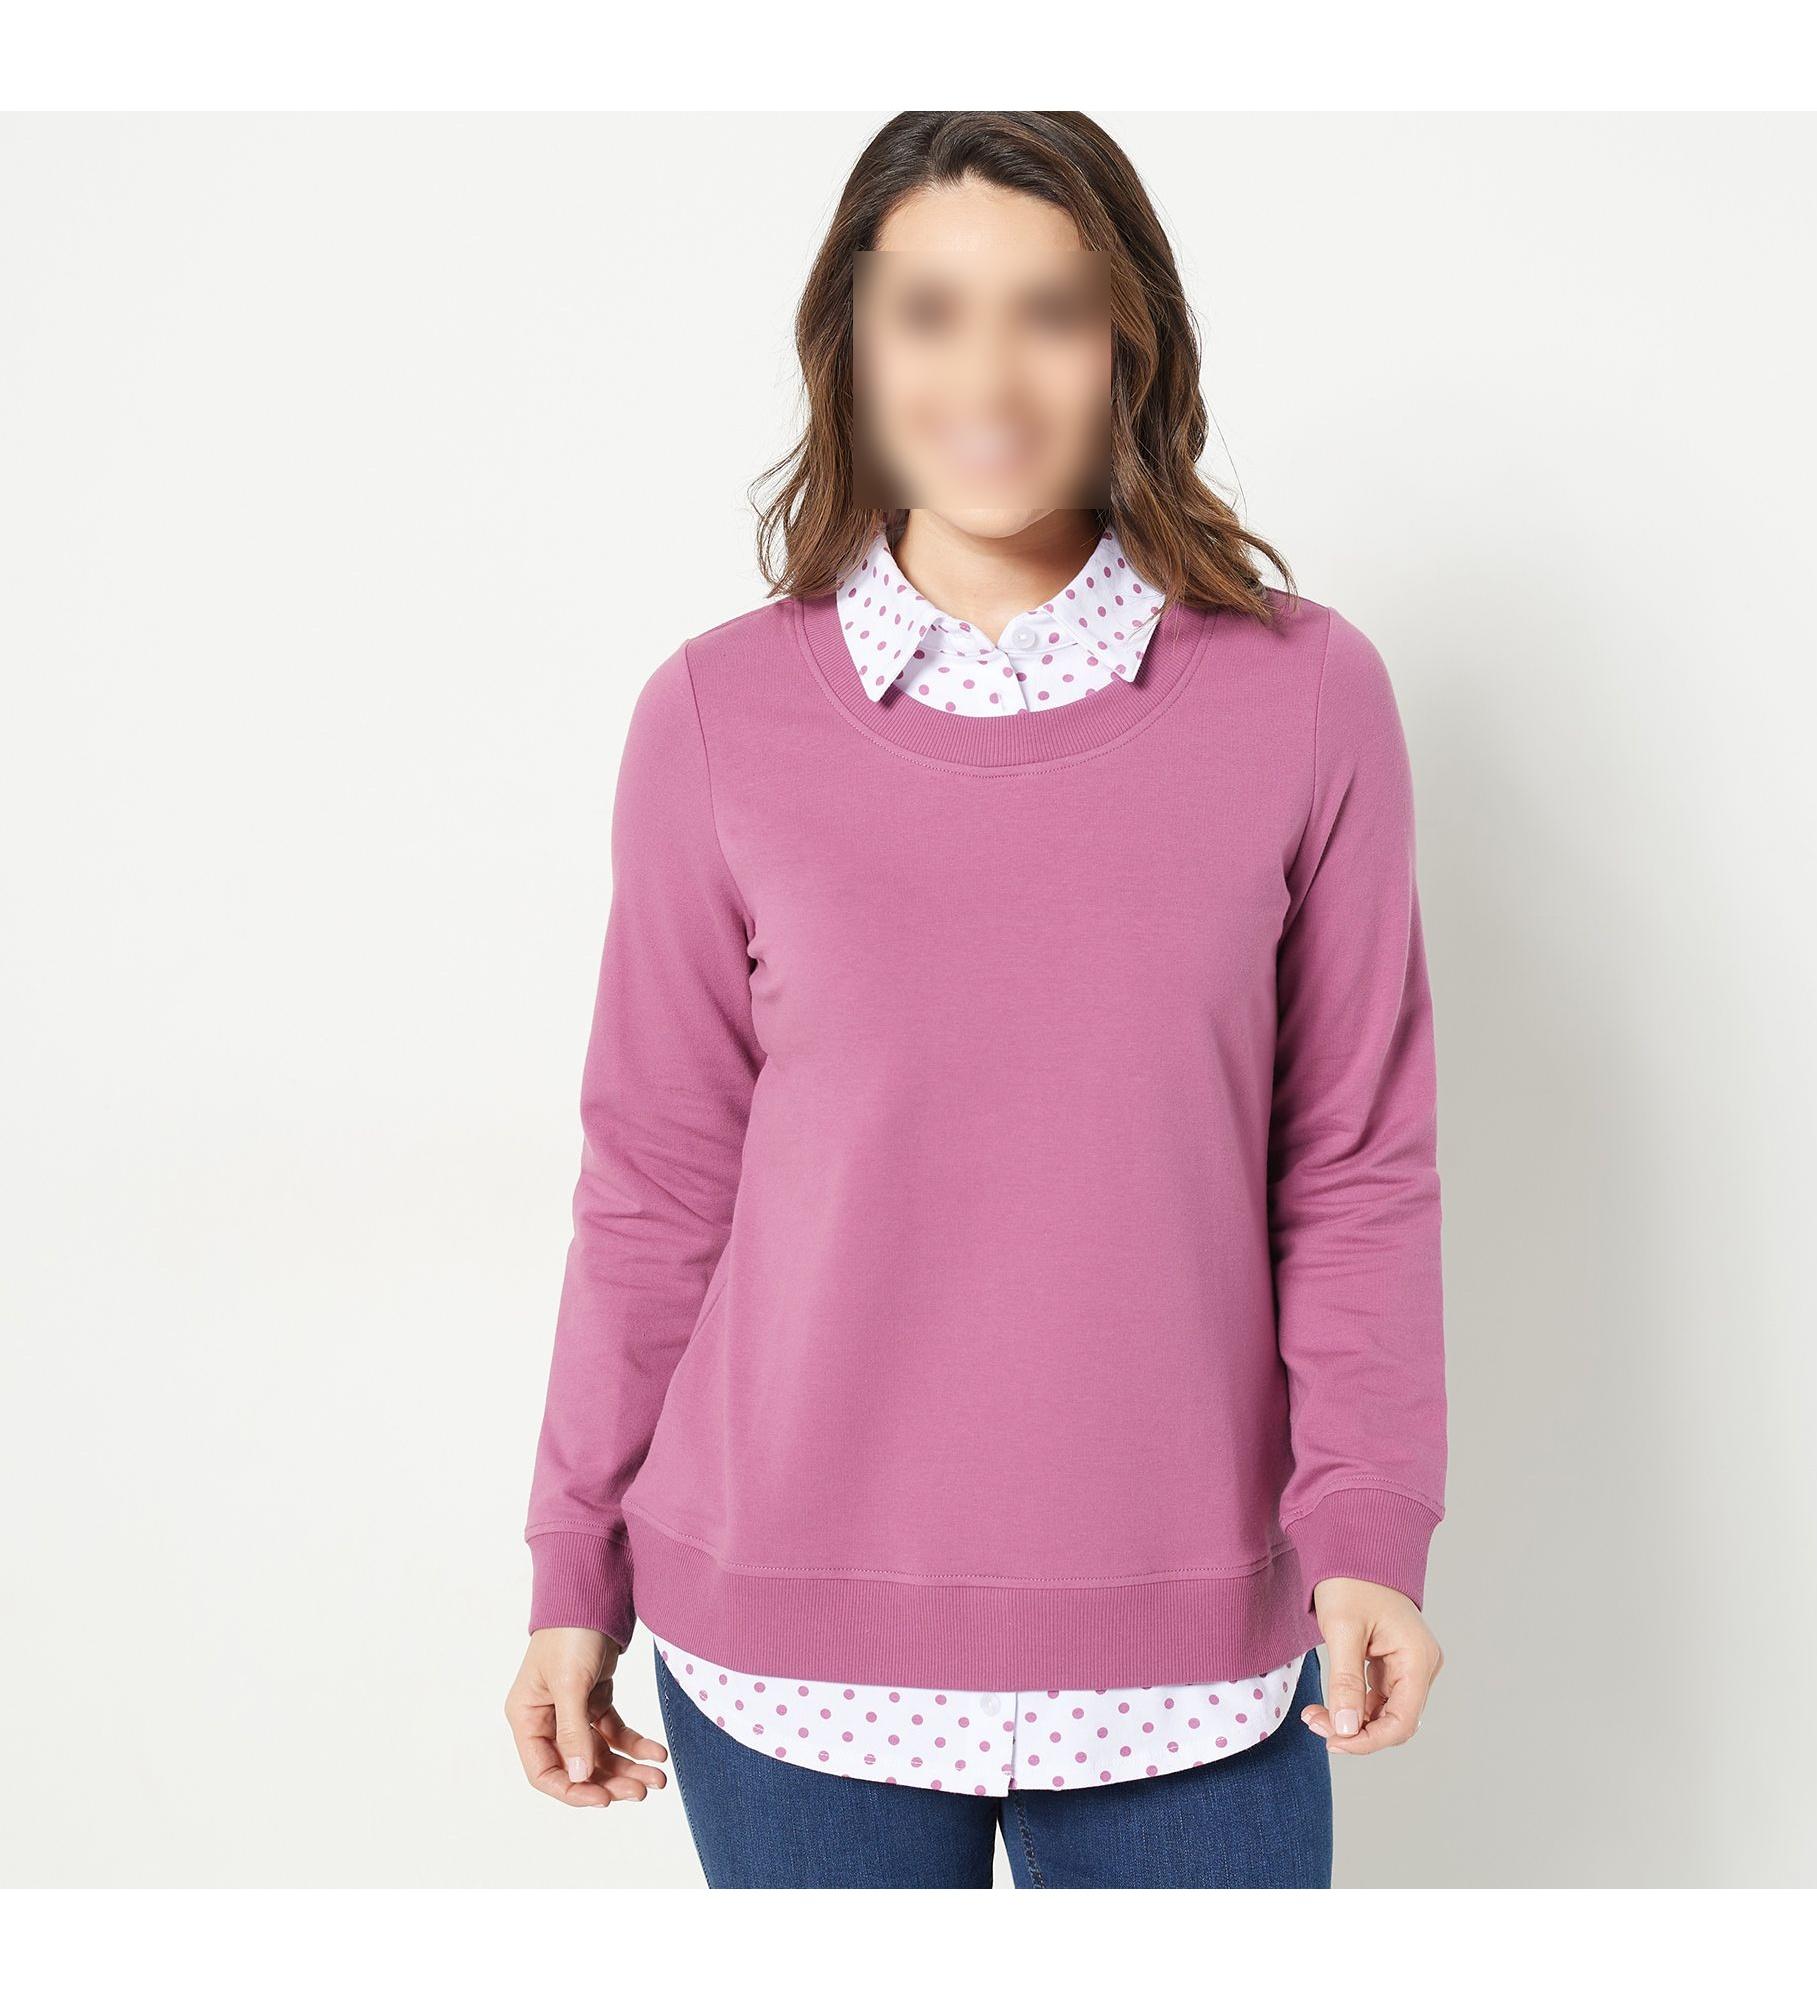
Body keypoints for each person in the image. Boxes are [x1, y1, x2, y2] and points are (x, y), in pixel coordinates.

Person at [503, 110, 1447, 1890]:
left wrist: (1370, 1522)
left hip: (1195, 1648)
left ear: (1129, 346)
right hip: (781, 1642)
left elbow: (1352, 1163)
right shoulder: (715, 718)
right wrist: (574, 1571)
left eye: (1051, 312)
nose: (989, 375)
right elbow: (655, 1182)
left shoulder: (1307, 697)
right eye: (931, 312)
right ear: (854, 346)